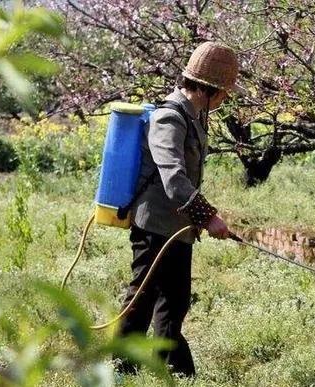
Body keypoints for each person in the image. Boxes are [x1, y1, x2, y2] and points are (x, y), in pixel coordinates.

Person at [113, 41, 239, 377]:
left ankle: (174, 373)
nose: (225, 99)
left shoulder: (194, 115)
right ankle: (122, 370)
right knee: (143, 300)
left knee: (174, 302)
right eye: (224, 92)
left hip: (177, 228)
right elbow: (173, 177)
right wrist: (209, 217)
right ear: (209, 90)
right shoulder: (170, 117)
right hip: (155, 227)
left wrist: (198, 220)